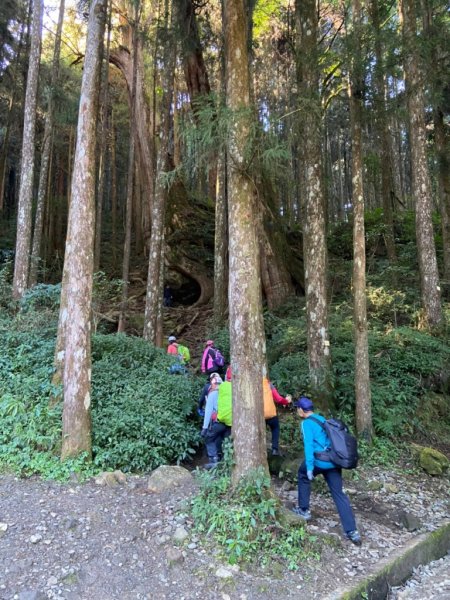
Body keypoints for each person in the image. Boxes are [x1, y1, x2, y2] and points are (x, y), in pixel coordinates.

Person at [292, 396, 362, 546]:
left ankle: (304, 510)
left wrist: (310, 467)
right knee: (339, 494)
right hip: (333, 461)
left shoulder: (306, 424)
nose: (297, 410)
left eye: (297, 408)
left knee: (303, 474)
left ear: (301, 410)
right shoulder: (322, 419)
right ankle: (352, 531)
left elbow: (309, 446)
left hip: (319, 461)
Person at [201, 373, 229, 469]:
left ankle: (214, 460)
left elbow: (208, 411)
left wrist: (204, 428)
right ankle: (226, 460)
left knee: (209, 438)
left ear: (213, 384)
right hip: (230, 422)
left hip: (219, 422)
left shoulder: (213, 394)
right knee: (226, 440)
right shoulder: (229, 394)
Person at [263, 376, 292, 456]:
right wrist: (286, 401)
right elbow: (278, 399)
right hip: (271, 414)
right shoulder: (269, 384)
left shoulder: (252, 385)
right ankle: (274, 449)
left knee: (261, 432)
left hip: (260, 416)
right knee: (275, 428)